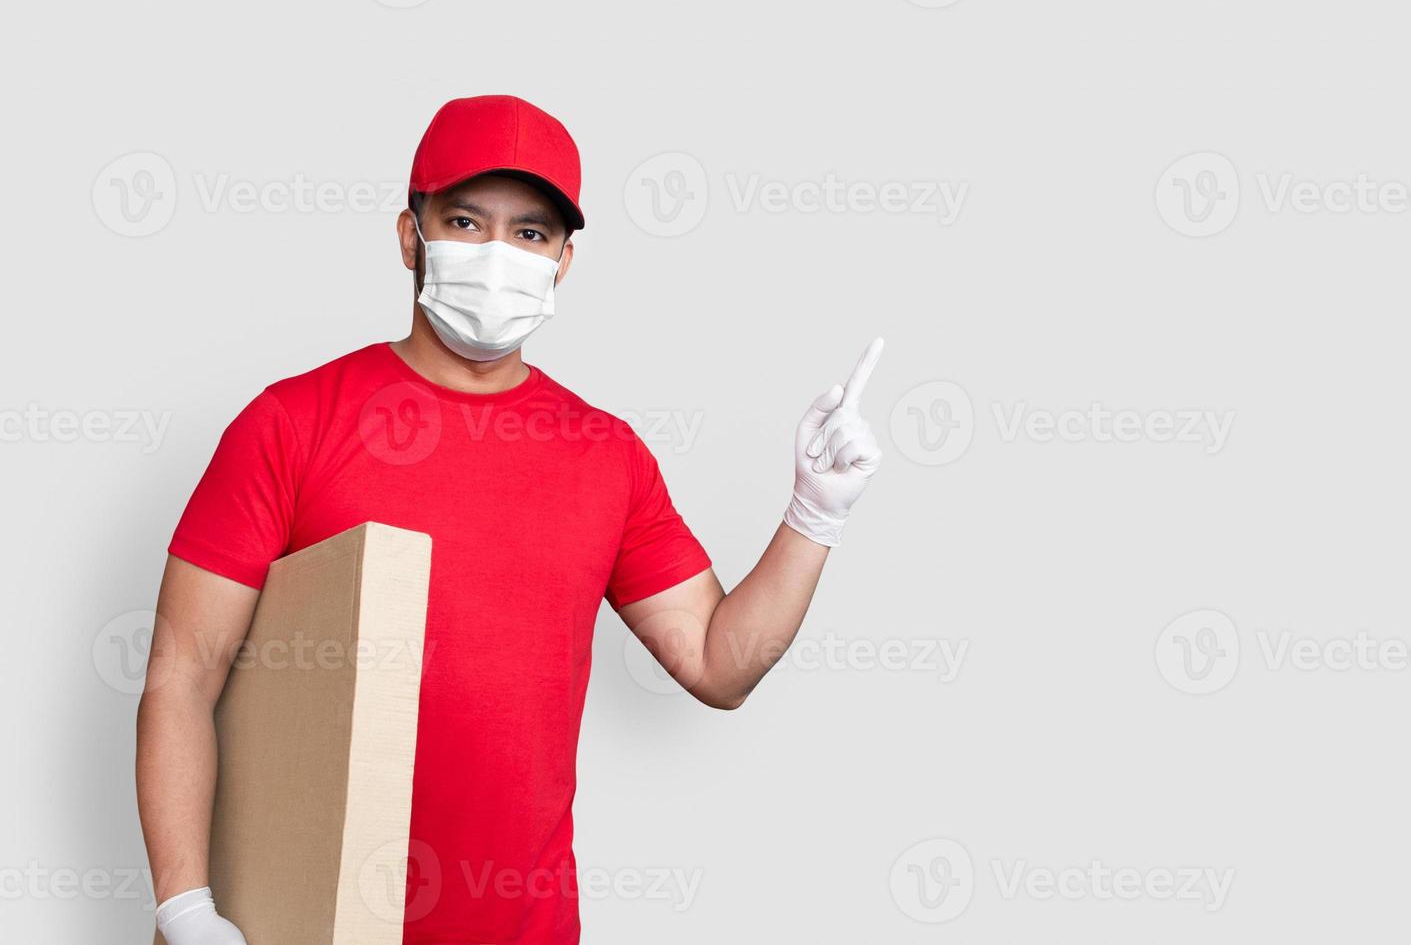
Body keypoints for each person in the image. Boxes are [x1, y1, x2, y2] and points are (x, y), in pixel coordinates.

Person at [136, 95, 884, 945]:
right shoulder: (291, 424)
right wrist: (185, 909)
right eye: (465, 220)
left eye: (530, 234)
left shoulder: (608, 456)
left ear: (564, 261)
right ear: (409, 237)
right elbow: (181, 678)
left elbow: (720, 664)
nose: (499, 255)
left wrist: (813, 515)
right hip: (308, 924)